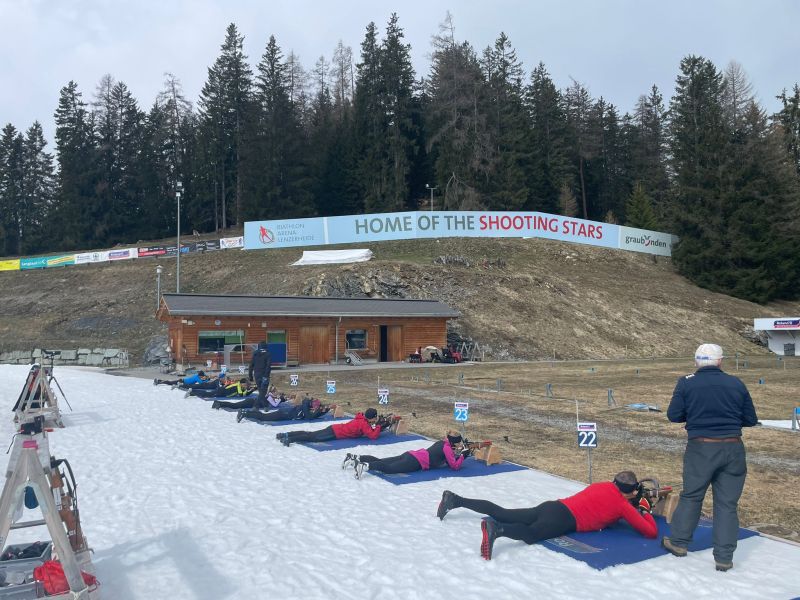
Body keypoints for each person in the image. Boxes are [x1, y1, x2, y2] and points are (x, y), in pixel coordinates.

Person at [661, 343, 758, 572]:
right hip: (733, 447)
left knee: (692, 496)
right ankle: (724, 558)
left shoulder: (686, 382)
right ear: (720, 361)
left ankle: (679, 543)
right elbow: (750, 419)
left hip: (701, 448)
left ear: (696, 361)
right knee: (727, 504)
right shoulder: (736, 383)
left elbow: (674, 415)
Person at [437, 471, 657, 560]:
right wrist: (645, 509)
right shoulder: (623, 506)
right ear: (632, 492)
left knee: (503, 512)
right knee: (531, 534)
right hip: (564, 520)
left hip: (553, 506)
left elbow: (606, 507)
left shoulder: (601, 485)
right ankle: (498, 530)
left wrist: (631, 500)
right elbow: (650, 532)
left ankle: (456, 500)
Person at [344, 431, 470, 479]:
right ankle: (365, 466)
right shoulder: (447, 448)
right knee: (389, 469)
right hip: (416, 462)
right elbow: (454, 466)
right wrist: (463, 455)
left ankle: (355, 458)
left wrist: (459, 453)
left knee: (382, 461)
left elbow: (447, 459)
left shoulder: (442, 443)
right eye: (458, 443)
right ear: (454, 442)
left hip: (411, 454)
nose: (459, 445)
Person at [275, 408, 388, 446]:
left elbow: (369, 429)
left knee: (310, 434)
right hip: (335, 433)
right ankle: (289, 439)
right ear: (372, 417)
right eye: (375, 417)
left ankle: (286, 434)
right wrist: (379, 426)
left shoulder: (361, 418)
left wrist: (377, 425)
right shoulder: (364, 424)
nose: (376, 419)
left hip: (334, 428)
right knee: (312, 437)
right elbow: (373, 436)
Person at [237, 397, 333, 424]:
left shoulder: (307, 407)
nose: (315, 409)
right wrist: (320, 410)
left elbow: (313, 416)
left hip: (284, 414)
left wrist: (325, 410)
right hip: (283, 414)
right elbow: (309, 417)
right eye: (315, 407)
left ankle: (247, 413)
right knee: (263, 417)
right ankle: (245, 413)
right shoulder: (305, 407)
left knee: (263, 416)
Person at [211, 387, 286, 411]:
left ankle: (219, 403)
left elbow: (274, 401)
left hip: (251, 402)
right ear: (273, 392)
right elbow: (274, 405)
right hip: (251, 403)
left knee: (235, 405)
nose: (277, 394)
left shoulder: (270, 396)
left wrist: (279, 399)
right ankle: (219, 403)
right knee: (235, 406)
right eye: (276, 392)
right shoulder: (269, 397)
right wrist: (281, 399)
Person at [249, 342, 272, 410]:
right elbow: (268, 365)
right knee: (263, 391)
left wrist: (250, 375)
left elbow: (251, 365)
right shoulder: (268, 354)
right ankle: (256, 406)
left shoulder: (255, 353)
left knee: (261, 391)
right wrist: (266, 375)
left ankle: (265, 405)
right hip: (264, 374)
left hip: (257, 374)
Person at [187, 378, 254, 399]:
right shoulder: (238, 385)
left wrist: (252, 390)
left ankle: (191, 393)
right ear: (241, 383)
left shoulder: (241, 387)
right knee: (207, 394)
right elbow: (241, 395)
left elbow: (245, 394)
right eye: (245, 385)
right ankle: (192, 391)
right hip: (222, 391)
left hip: (223, 393)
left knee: (208, 394)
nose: (246, 386)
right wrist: (247, 389)